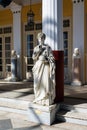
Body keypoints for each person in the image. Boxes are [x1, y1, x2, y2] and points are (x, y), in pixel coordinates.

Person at [32, 32, 55, 106]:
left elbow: (52, 57)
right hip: (38, 66)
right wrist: (39, 51)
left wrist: (47, 59)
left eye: (42, 38)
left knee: (46, 83)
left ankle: (45, 99)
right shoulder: (36, 48)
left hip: (45, 66)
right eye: (39, 38)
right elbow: (33, 57)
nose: (40, 39)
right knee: (37, 84)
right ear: (38, 39)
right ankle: (38, 97)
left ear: (44, 39)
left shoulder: (48, 48)